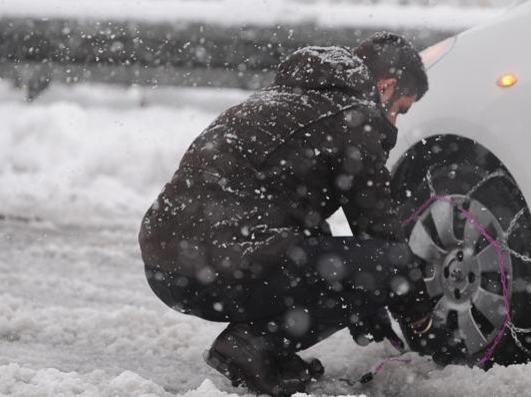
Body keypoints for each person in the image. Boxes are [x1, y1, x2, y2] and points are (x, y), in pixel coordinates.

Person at [139, 32, 434, 396]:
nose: (395, 121)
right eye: (399, 109)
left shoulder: (287, 100)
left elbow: (303, 229)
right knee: (388, 264)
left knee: (341, 264)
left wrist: (367, 304)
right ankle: (253, 346)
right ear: (385, 87)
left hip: (168, 268)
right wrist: (421, 319)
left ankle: (265, 352)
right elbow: (383, 240)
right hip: (225, 262)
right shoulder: (354, 119)